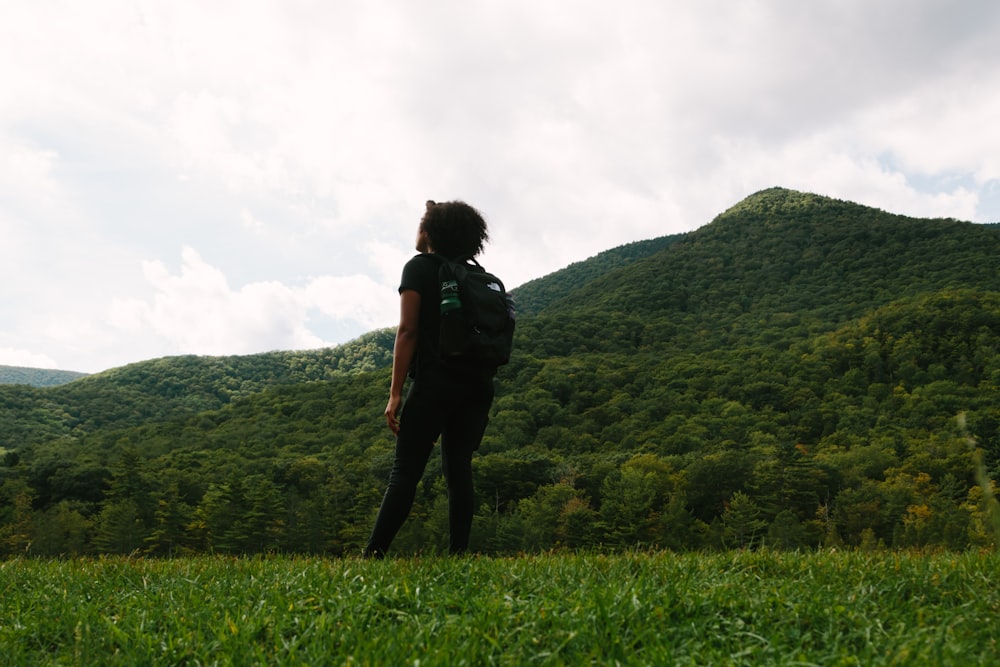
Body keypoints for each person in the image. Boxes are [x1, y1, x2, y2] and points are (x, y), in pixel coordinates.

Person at [364, 200, 498, 558]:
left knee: (405, 472)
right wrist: (435, 216)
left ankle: (373, 555)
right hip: (477, 387)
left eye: (422, 223)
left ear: (430, 232)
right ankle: (458, 555)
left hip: (435, 384)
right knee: (458, 471)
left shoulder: (419, 268)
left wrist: (395, 393)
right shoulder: (474, 275)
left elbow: (407, 332)